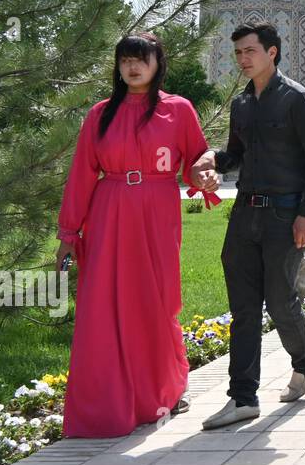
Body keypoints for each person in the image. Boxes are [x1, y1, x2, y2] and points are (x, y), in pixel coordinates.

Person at [55, 33, 220, 438]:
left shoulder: (178, 110)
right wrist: (67, 231)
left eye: (140, 59)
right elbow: (81, 175)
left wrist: (206, 175)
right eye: (125, 60)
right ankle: (106, 404)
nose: (132, 67)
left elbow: (197, 159)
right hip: (108, 211)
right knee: (105, 306)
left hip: (158, 210)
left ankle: (160, 392)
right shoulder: (99, 114)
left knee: (157, 300)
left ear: (156, 63)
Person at [191, 21, 305, 430]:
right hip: (246, 214)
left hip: (285, 215)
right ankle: (243, 397)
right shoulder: (242, 104)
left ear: (272, 52)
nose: (242, 59)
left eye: (249, 51)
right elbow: (237, 155)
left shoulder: (297, 99)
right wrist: (212, 160)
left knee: (281, 298)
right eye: (237, 53)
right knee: (244, 308)